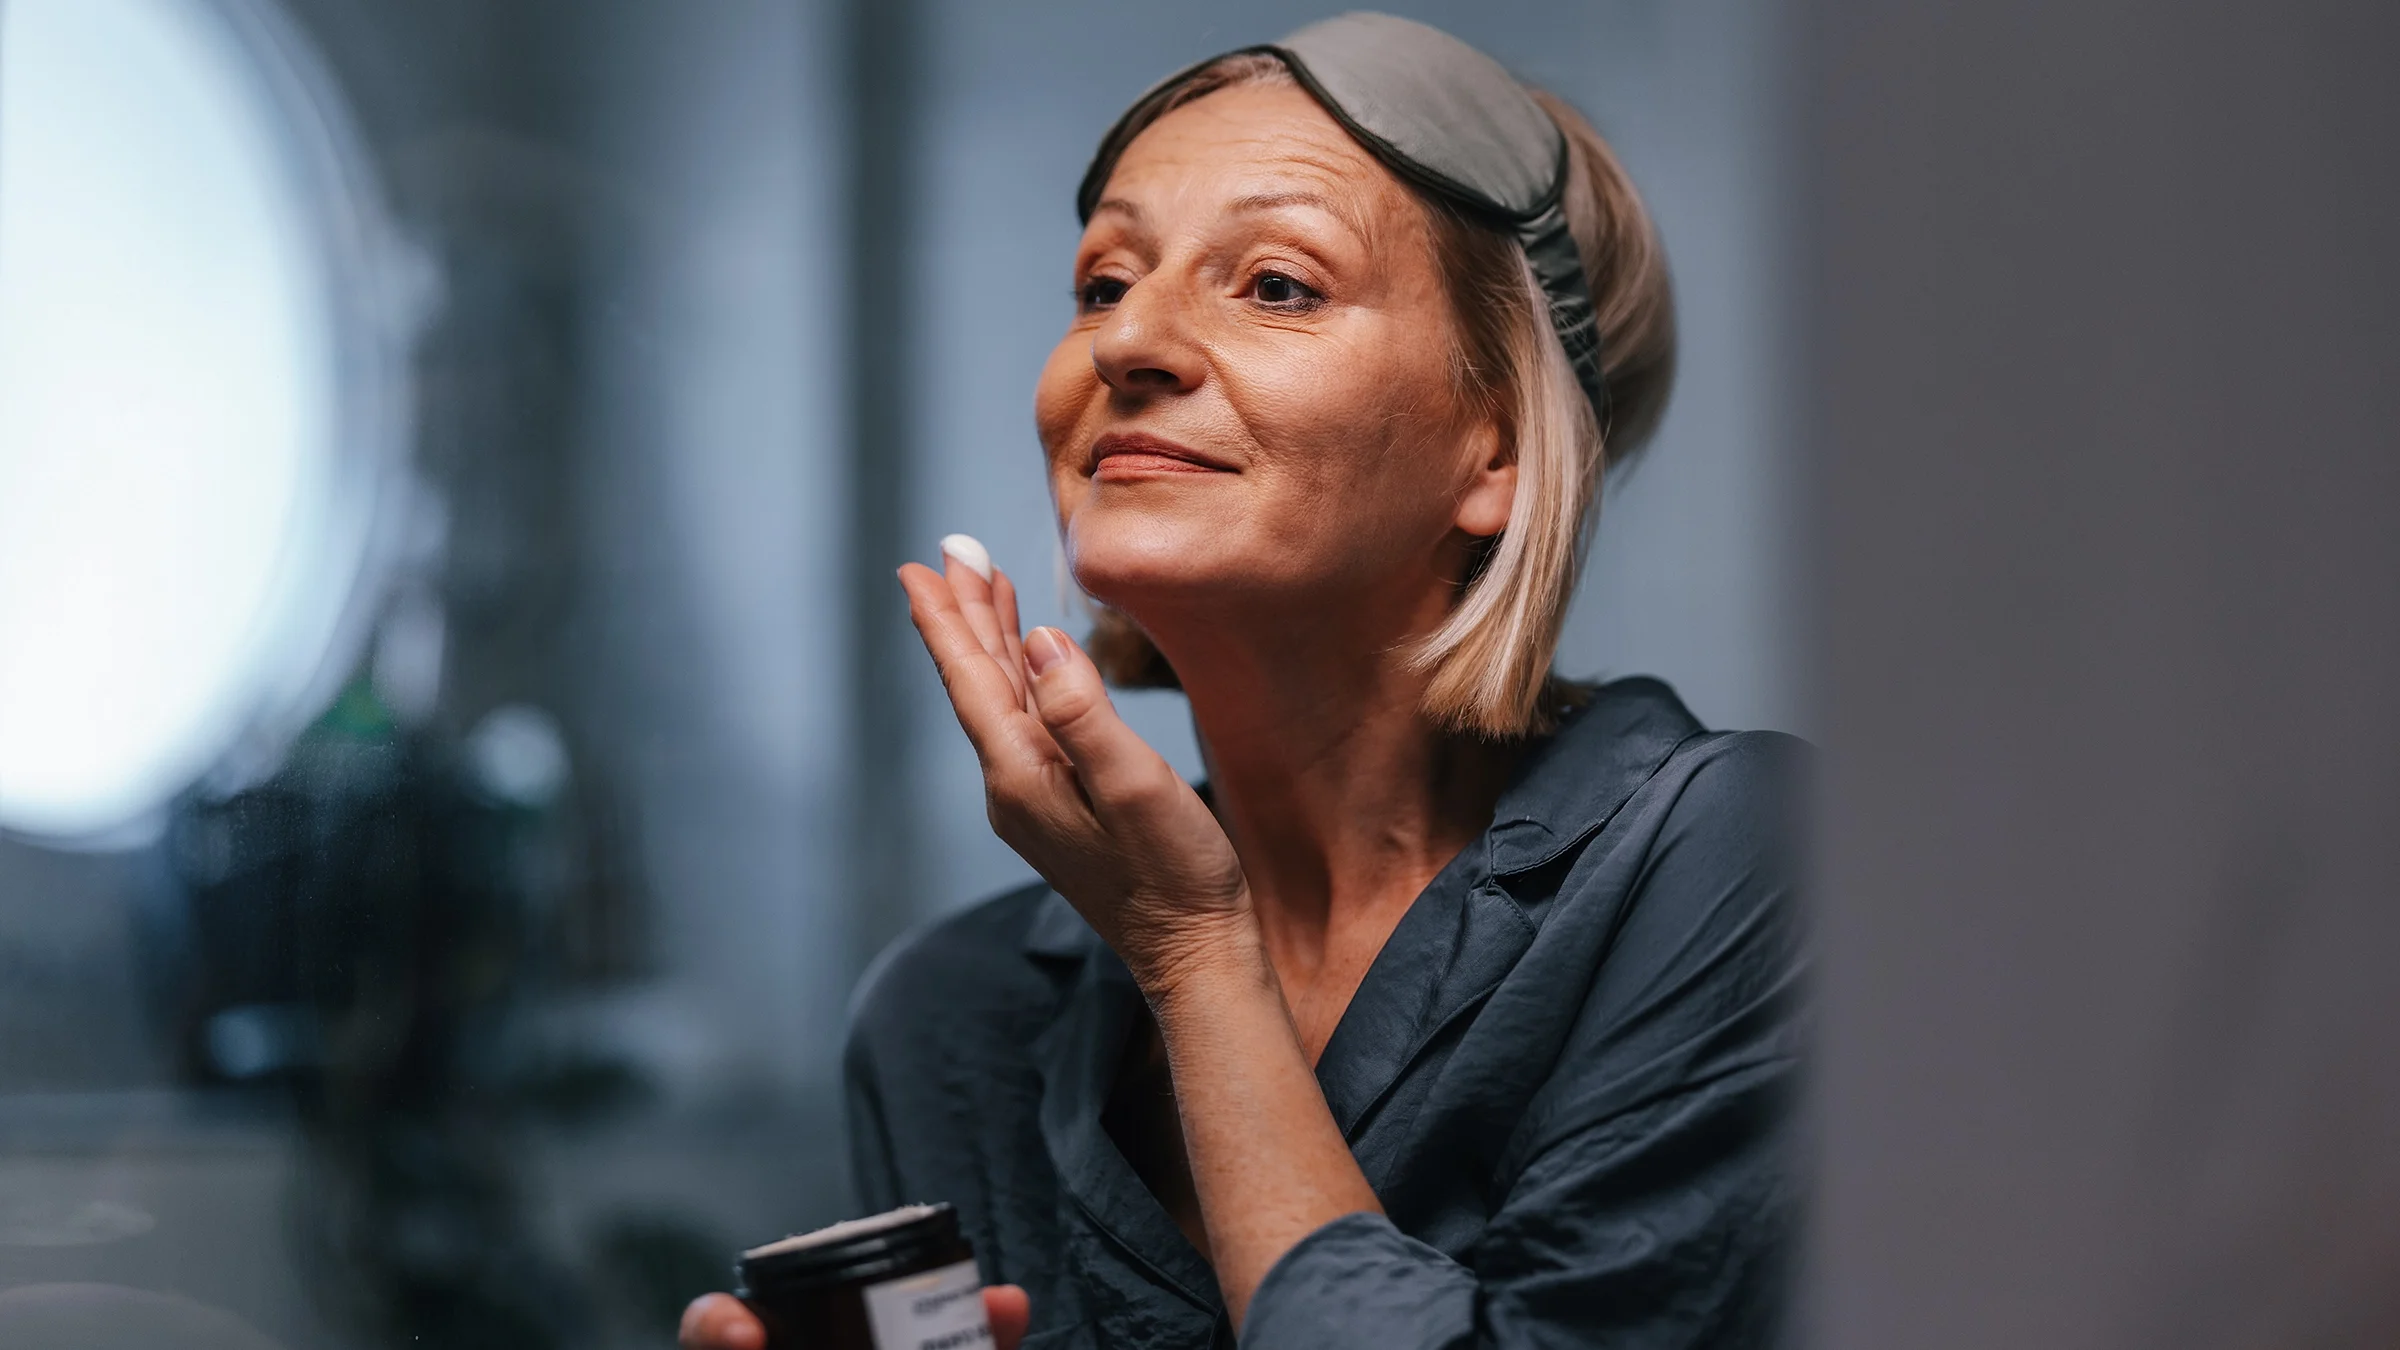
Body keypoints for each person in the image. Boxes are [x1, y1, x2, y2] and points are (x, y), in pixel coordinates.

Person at [684, 13, 1803, 1349]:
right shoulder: (953, 1015)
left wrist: (1194, 955)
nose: (1127, 342)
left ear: (1496, 445)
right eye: (1103, 282)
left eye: (1276, 283)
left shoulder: (1728, 860)